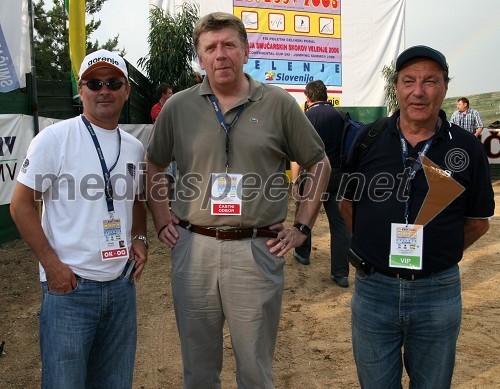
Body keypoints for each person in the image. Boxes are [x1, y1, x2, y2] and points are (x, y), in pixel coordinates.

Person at [144, 12, 330, 388]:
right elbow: (154, 162)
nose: (220, 54)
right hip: (193, 248)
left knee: (255, 369)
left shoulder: (278, 104)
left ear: (246, 50)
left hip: (255, 250)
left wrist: (302, 226)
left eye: (229, 45)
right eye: (210, 48)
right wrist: (162, 219)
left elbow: (319, 163)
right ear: (200, 58)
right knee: (198, 369)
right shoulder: (178, 107)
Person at [339, 45, 495, 388]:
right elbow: (347, 205)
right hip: (373, 290)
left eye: (430, 81)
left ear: (445, 87)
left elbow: (478, 222)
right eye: (409, 81)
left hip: (437, 293)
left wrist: (438, 252)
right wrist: (374, 248)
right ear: (396, 87)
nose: (419, 91)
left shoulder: (467, 148)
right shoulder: (368, 139)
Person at [10, 49, 148, 388]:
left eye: (113, 82)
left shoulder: (133, 147)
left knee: (115, 381)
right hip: (70, 289)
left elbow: (138, 198)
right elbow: (20, 205)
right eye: (94, 83)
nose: (104, 90)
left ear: (126, 90)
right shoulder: (54, 139)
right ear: (81, 91)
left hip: (120, 287)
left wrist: (140, 239)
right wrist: (52, 266)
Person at [291, 80, 351, 288]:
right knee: (340, 224)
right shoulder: (342, 115)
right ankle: (341, 273)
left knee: (304, 214)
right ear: (325, 95)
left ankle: (302, 253)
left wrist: (295, 182)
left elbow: (298, 155)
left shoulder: (305, 117)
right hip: (339, 174)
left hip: (313, 173)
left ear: (308, 97)